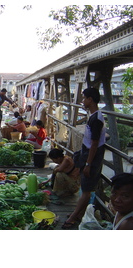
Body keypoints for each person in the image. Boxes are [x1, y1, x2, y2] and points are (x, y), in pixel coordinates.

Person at [62, 87, 106, 229]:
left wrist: (88, 163)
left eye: (83, 98)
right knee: (85, 187)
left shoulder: (96, 120)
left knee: (86, 191)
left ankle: (74, 217)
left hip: (92, 157)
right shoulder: (93, 116)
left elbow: (94, 143)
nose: (82, 101)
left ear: (90, 100)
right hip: (87, 153)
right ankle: (77, 213)